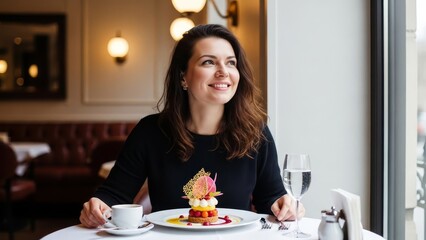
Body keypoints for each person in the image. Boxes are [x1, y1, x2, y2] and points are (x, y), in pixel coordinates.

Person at [79, 24, 305, 228]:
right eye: (209, 62)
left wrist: (285, 206)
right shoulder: (150, 132)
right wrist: (97, 207)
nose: (223, 71)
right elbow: (114, 196)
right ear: (183, 77)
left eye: (231, 62)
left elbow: (272, 199)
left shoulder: (255, 132)